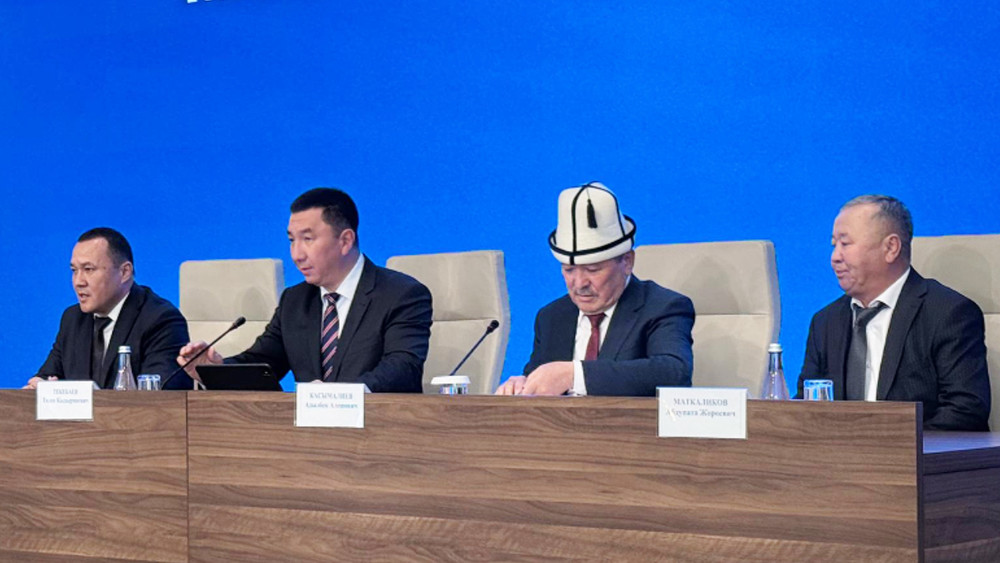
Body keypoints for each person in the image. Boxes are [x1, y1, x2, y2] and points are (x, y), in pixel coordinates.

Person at [177, 188, 432, 392]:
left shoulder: (401, 294)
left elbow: (402, 368)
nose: (296, 254)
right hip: (309, 435)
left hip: (380, 429)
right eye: (292, 240)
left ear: (345, 240)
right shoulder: (295, 300)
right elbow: (264, 363)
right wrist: (214, 369)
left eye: (308, 239)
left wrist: (337, 397)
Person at [798, 195, 991, 430]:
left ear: (890, 248)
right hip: (838, 451)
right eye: (833, 245)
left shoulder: (947, 313)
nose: (835, 257)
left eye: (845, 244)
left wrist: (894, 446)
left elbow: (965, 410)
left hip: (917, 451)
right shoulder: (826, 322)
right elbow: (804, 408)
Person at [496, 182, 694, 396]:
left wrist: (574, 375)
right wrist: (523, 384)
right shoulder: (552, 317)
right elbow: (540, 378)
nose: (579, 283)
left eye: (593, 269)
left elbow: (674, 372)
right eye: (569, 270)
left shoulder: (662, 307)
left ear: (627, 262)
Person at [26, 228, 192, 390]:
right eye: (74, 271)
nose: (78, 282)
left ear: (124, 272)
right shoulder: (73, 319)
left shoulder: (160, 319)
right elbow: (47, 377)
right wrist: (39, 386)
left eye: (88, 269)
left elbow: (158, 396)